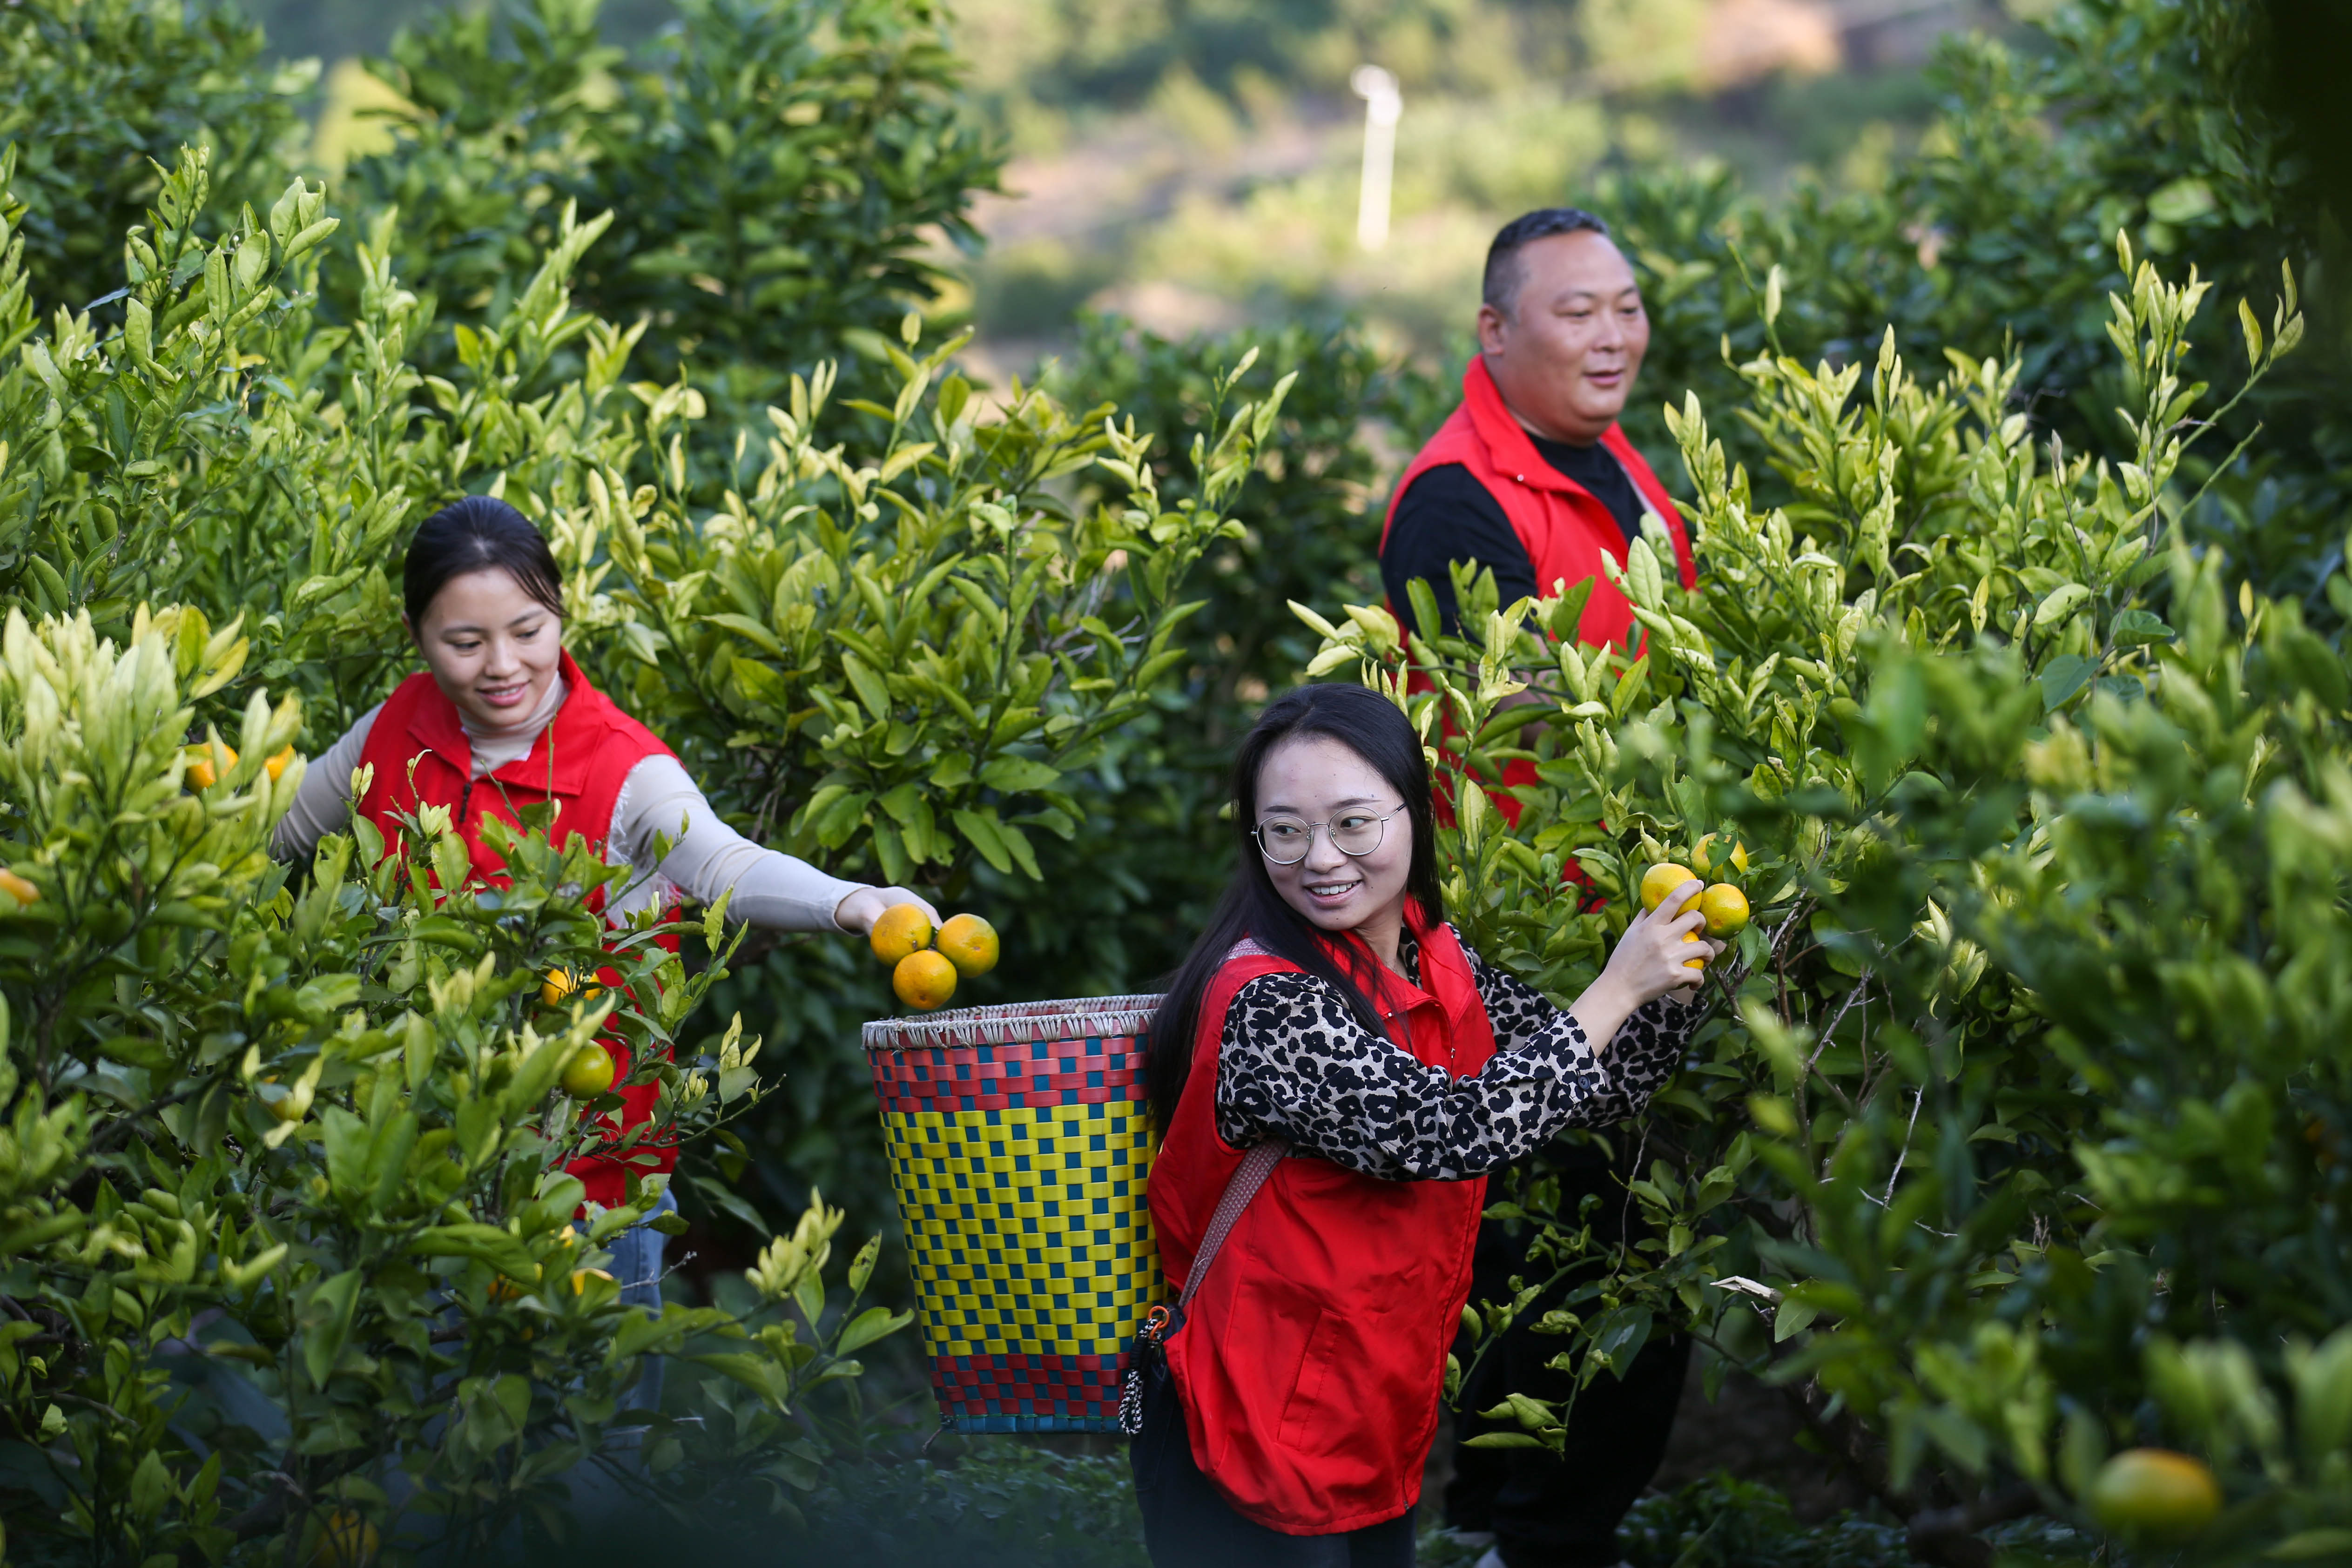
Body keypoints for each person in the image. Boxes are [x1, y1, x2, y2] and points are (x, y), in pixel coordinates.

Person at [271, 495, 942, 1389]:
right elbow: (270, 839)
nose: (503, 665)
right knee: (406, 1440)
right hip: (409, 1175)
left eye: (528, 631)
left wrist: (855, 902)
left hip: (586, 1187)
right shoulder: (391, 730)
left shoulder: (625, 769)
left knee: (586, 1449)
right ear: (416, 636)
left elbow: (724, 864)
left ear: (561, 613)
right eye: (464, 642)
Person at [1131, 683, 1714, 1567]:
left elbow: (1595, 1086)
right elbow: (1445, 1132)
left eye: (1352, 823)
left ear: (1415, 811)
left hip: (1368, 1421)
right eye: (1283, 830)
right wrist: (1615, 985)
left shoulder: (1433, 956)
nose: (1319, 858)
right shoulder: (1269, 1002)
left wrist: (1674, 975)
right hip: (1251, 1432)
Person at [1377, 207, 1698, 1568]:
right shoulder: (1456, 499)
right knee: (1572, 1264)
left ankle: (1520, 1534)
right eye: (1577, 312)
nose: (1612, 335)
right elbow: (1515, 709)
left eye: (1625, 305)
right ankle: (1523, 1538)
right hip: (1531, 947)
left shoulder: (1614, 460)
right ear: (1494, 331)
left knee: (1593, 1256)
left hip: (1635, 922)